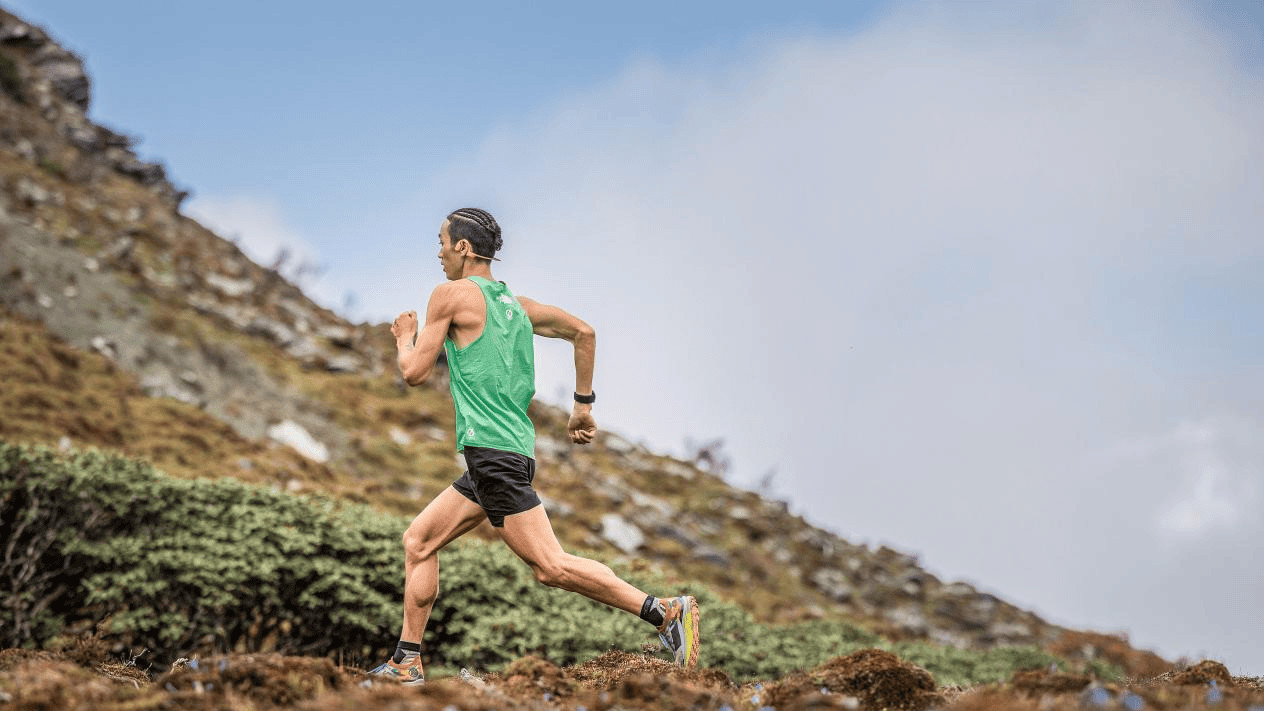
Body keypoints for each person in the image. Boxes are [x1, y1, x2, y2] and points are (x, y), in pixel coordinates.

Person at [369, 207, 700, 684]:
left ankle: (663, 612)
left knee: (550, 566)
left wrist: (406, 338)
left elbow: (415, 372)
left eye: (441, 242)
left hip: (492, 457)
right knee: (419, 541)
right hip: (510, 454)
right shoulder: (518, 307)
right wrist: (582, 406)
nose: (438, 253)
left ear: (463, 247)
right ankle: (406, 661)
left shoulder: (450, 295)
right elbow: (583, 332)